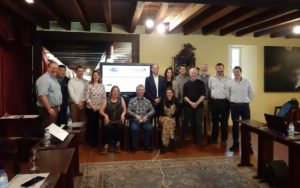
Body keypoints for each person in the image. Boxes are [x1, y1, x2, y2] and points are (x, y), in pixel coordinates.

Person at [226, 66, 254, 152]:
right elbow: (227, 94)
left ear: (241, 72)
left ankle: (248, 145)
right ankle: (235, 144)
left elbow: (251, 93)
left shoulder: (247, 81)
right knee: (235, 126)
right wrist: (232, 101)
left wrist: (246, 100)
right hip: (234, 106)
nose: (236, 73)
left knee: (247, 125)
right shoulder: (229, 82)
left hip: (245, 106)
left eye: (237, 71)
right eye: (234, 72)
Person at [127, 84, 155, 153]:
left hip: (145, 120)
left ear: (144, 91)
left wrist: (147, 116)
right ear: (136, 91)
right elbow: (128, 111)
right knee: (134, 129)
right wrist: (135, 115)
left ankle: (145, 147)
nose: (141, 91)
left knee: (149, 128)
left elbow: (153, 110)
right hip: (135, 120)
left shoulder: (147, 101)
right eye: (139, 90)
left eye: (142, 90)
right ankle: (134, 147)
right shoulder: (132, 100)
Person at [183, 67, 206, 150]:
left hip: (199, 106)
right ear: (189, 74)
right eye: (192, 73)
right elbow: (184, 96)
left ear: (197, 73)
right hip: (189, 107)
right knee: (192, 124)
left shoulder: (201, 83)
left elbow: (203, 95)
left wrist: (196, 103)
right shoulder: (186, 84)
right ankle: (194, 139)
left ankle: (199, 142)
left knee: (199, 124)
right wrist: (191, 103)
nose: (193, 74)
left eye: (195, 73)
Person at [208, 63, 231, 145]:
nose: (219, 70)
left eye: (221, 68)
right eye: (218, 68)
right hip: (214, 102)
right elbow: (210, 89)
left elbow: (230, 90)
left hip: (225, 102)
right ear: (215, 69)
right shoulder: (211, 78)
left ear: (223, 69)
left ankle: (224, 139)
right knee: (215, 121)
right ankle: (214, 139)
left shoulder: (228, 78)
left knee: (224, 122)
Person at [99, 86, 126, 153]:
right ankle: (107, 144)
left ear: (119, 92)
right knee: (108, 127)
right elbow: (101, 111)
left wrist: (123, 114)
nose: (115, 92)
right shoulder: (106, 99)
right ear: (111, 92)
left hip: (118, 119)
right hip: (109, 119)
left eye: (117, 91)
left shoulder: (121, 99)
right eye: (114, 91)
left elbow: (125, 109)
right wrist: (105, 115)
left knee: (121, 126)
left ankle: (117, 144)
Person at [36, 61, 62, 128]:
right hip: (47, 109)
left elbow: (55, 93)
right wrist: (49, 109)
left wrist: (58, 105)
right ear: (48, 68)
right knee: (48, 129)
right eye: (53, 68)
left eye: (56, 68)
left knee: (52, 128)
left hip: (54, 108)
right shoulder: (44, 79)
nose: (55, 70)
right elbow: (42, 95)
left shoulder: (54, 79)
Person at [85, 70, 106, 147]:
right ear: (92, 76)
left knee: (98, 125)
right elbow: (87, 98)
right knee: (91, 125)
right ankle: (91, 141)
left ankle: (98, 141)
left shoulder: (102, 86)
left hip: (100, 109)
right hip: (91, 109)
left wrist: (101, 107)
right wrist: (93, 107)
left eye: (97, 75)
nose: (96, 76)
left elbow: (104, 97)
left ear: (99, 76)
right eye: (94, 75)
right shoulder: (89, 85)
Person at [158, 88, 179, 154]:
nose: (168, 94)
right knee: (168, 120)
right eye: (167, 93)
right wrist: (169, 116)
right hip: (162, 118)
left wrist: (172, 117)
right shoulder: (163, 100)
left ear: (173, 94)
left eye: (170, 93)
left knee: (167, 124)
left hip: (171, 120)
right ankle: (173, 140)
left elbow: (178, 112)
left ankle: (164, 146)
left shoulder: (176, 100)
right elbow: (161, 112)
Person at [197, 64, 213, 143]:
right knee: (200, 118)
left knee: (208, 117)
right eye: (203, 67)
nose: (204, 68)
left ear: (207, 68)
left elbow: (211, 89)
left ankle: (209, 133)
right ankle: (202, 133)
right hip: (199, 100)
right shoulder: (197, 77)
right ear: (200, 68)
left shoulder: (211, 78)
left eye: (206, 67)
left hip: (207, 100)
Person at [175, 64, 190, 140]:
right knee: (178, 118)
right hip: (178, 101)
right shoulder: (175, 78)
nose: (183, 70)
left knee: (186, 118)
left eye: (184, 69)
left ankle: (185, 134)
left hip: (186, 101)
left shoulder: (188, 78)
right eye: (181, 69)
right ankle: (179, 134)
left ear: (186, 70)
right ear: (179, 70)